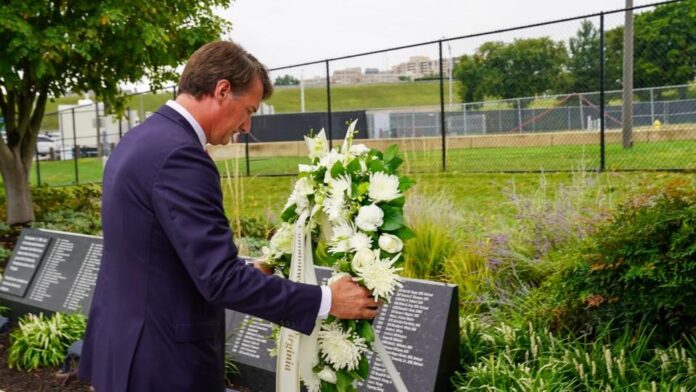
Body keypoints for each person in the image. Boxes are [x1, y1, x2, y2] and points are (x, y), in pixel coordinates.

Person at [78, 41, 380, 392]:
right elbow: (220, 280)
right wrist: (327, 300)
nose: (247, 124)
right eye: (248, 109)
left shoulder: (138, 140)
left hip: (125, 347)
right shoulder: (182, 156)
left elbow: (155, 252)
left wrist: (252, 273)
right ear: (222, 90)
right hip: (163, 364)